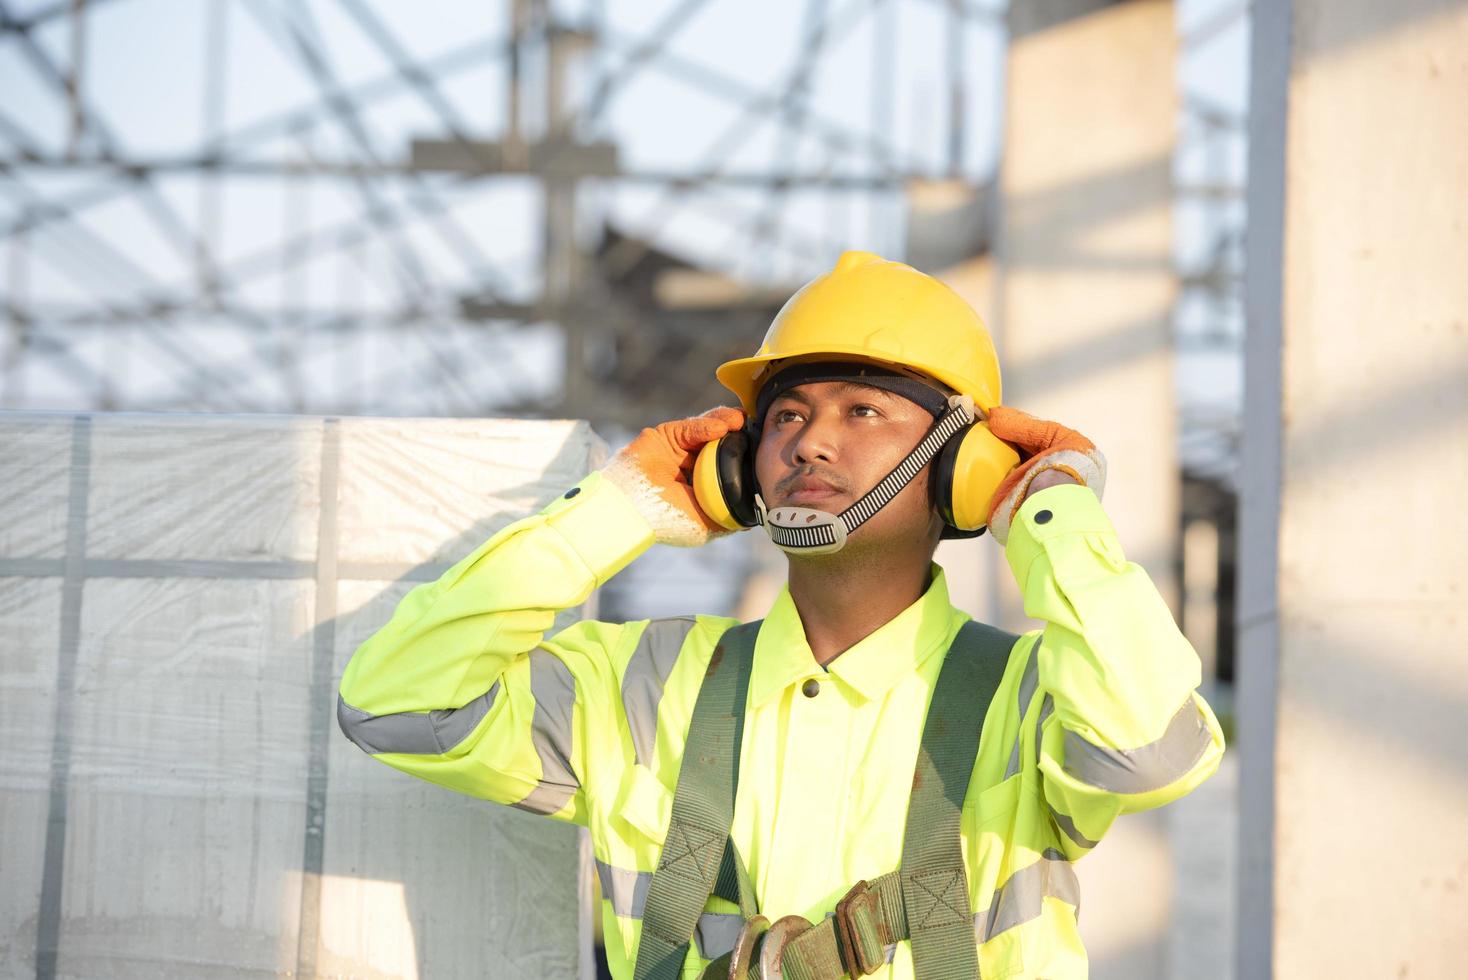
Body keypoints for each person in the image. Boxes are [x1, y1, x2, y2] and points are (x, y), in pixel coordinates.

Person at [337, 251, 1225, 979]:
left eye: (863, 409)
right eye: (785, 416)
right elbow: (398, 705)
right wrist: (612, 510)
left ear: (962, 468)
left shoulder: (1032, 698)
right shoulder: (642, 686)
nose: (809, 440)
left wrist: (1050, 514)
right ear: (739, 469)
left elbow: (1146, 749)